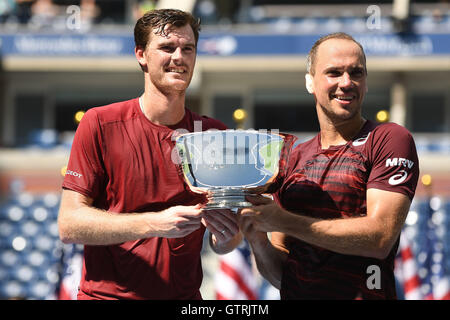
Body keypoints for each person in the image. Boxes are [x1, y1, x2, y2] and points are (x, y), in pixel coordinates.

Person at [57, 8, 241, 300]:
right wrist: (156, 223)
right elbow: (69, 224)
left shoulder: (213, 133)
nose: (179, 57)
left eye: (188, 48)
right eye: (167, 48)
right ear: (141, 54)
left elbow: (226, 242)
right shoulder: (100, 123)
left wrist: (227, 235)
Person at [238, 32, 419, 299]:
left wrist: (284, 220)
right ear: (310, 82)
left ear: (366, 82)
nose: (347, 83)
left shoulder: (388, 139)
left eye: (356, 73)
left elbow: (380, 238)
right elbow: (281, 276)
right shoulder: (293, 158)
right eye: (334, 73)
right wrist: (257, 239)